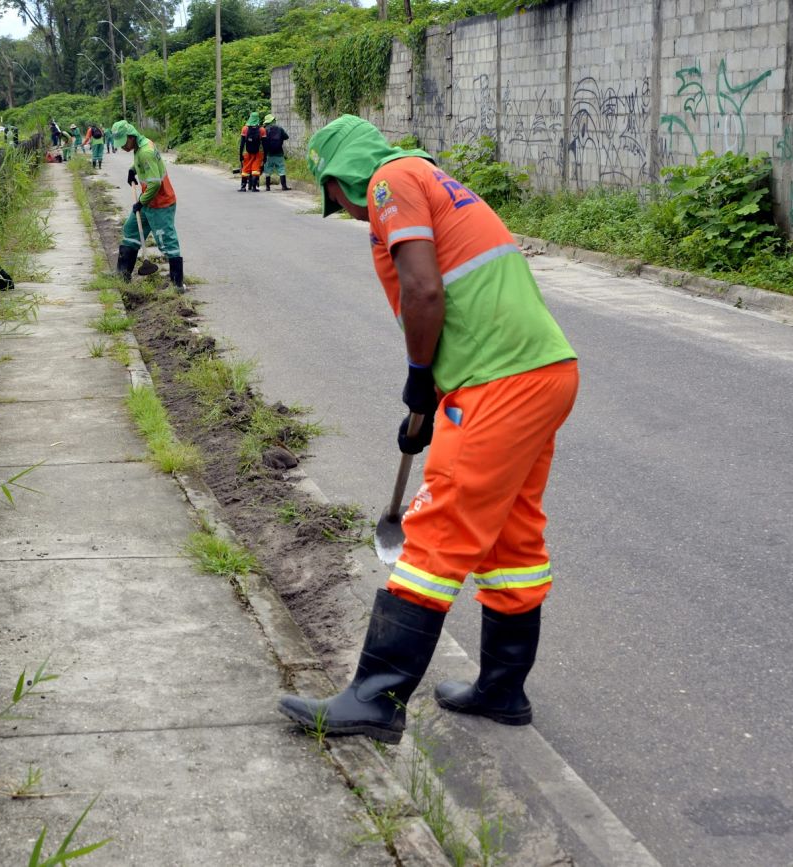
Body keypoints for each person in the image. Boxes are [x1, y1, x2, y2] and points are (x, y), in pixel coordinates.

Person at [277, 115, 579, 744]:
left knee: (437, 530)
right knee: (510, 535)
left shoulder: (390, 181)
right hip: (542, 372)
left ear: (340, 175)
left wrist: (418, 377)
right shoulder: (430, 177)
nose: (348, 213)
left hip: (497, 381)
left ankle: (376, 698)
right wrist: (425, 409)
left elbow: (423, 290)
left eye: (334, 197)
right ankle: (503, 688)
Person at [112, 120, 184, 291]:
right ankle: (122, 275)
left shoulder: (145, 151)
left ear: (131, 137)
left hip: (160, 203)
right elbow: (144, 164)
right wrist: (133, 169)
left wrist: (140, 202)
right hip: (148, 201)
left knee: (166, 241)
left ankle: (177, 284)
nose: (122, 147)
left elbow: (155, 184)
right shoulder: (142, 144)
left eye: (123, 143)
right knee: (131, 229)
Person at [261, 113, 289, 191]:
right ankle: (284, 186)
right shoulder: (280, 128)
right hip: (279, 153)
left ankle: (267, 187)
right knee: (281, 169)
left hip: (269, 154)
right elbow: (286, 137)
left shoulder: (265, 130)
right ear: (273, 120)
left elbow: (261, 141)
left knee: (268, 170)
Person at [238, 111, 264, 192]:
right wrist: (265, 156)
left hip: (247, 152)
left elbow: (242, 144)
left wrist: (240, 154)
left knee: (245, 169)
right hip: (258, 153)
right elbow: (265, 145)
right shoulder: (262, 130)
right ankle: (254, 187)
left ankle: (243, 187)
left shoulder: (245, 129)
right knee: (255, 169)